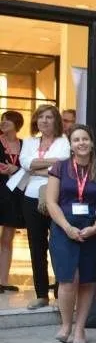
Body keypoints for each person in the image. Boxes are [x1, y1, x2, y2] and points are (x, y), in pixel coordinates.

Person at [45, 125, 96, 343]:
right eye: (76, 140)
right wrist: (67, 227)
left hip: (92, 231)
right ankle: (65, 325)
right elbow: (51, 202)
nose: (81, 143)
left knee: (87, 280)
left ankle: (80, 328)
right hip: (64, 230)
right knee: (67, 279)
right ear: (70, 145)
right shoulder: (60, 167)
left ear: (91, 143)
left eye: (85, 139)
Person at [19, 104, 70, 309]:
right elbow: (25, 163)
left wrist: (37, 165)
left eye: (49, 117)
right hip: (31, 197)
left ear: (56, 121)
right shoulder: (30, 141)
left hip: (56, 198)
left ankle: (60, 295)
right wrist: (48, 165)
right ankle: (42, 294)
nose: (44, 121)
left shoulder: (63, 141)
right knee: (36, 246)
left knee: (58, 246)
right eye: (41, 117)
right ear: (36, 121)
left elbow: (63, 162)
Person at [0, 110, 25, 293]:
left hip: (13, 194)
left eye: (7, 120)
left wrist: (16, 168)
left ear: (16, 124)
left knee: (8, 237)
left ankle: (3, 280)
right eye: (2, 120)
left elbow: (27, 167)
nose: (3, 122)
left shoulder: (24, 145)